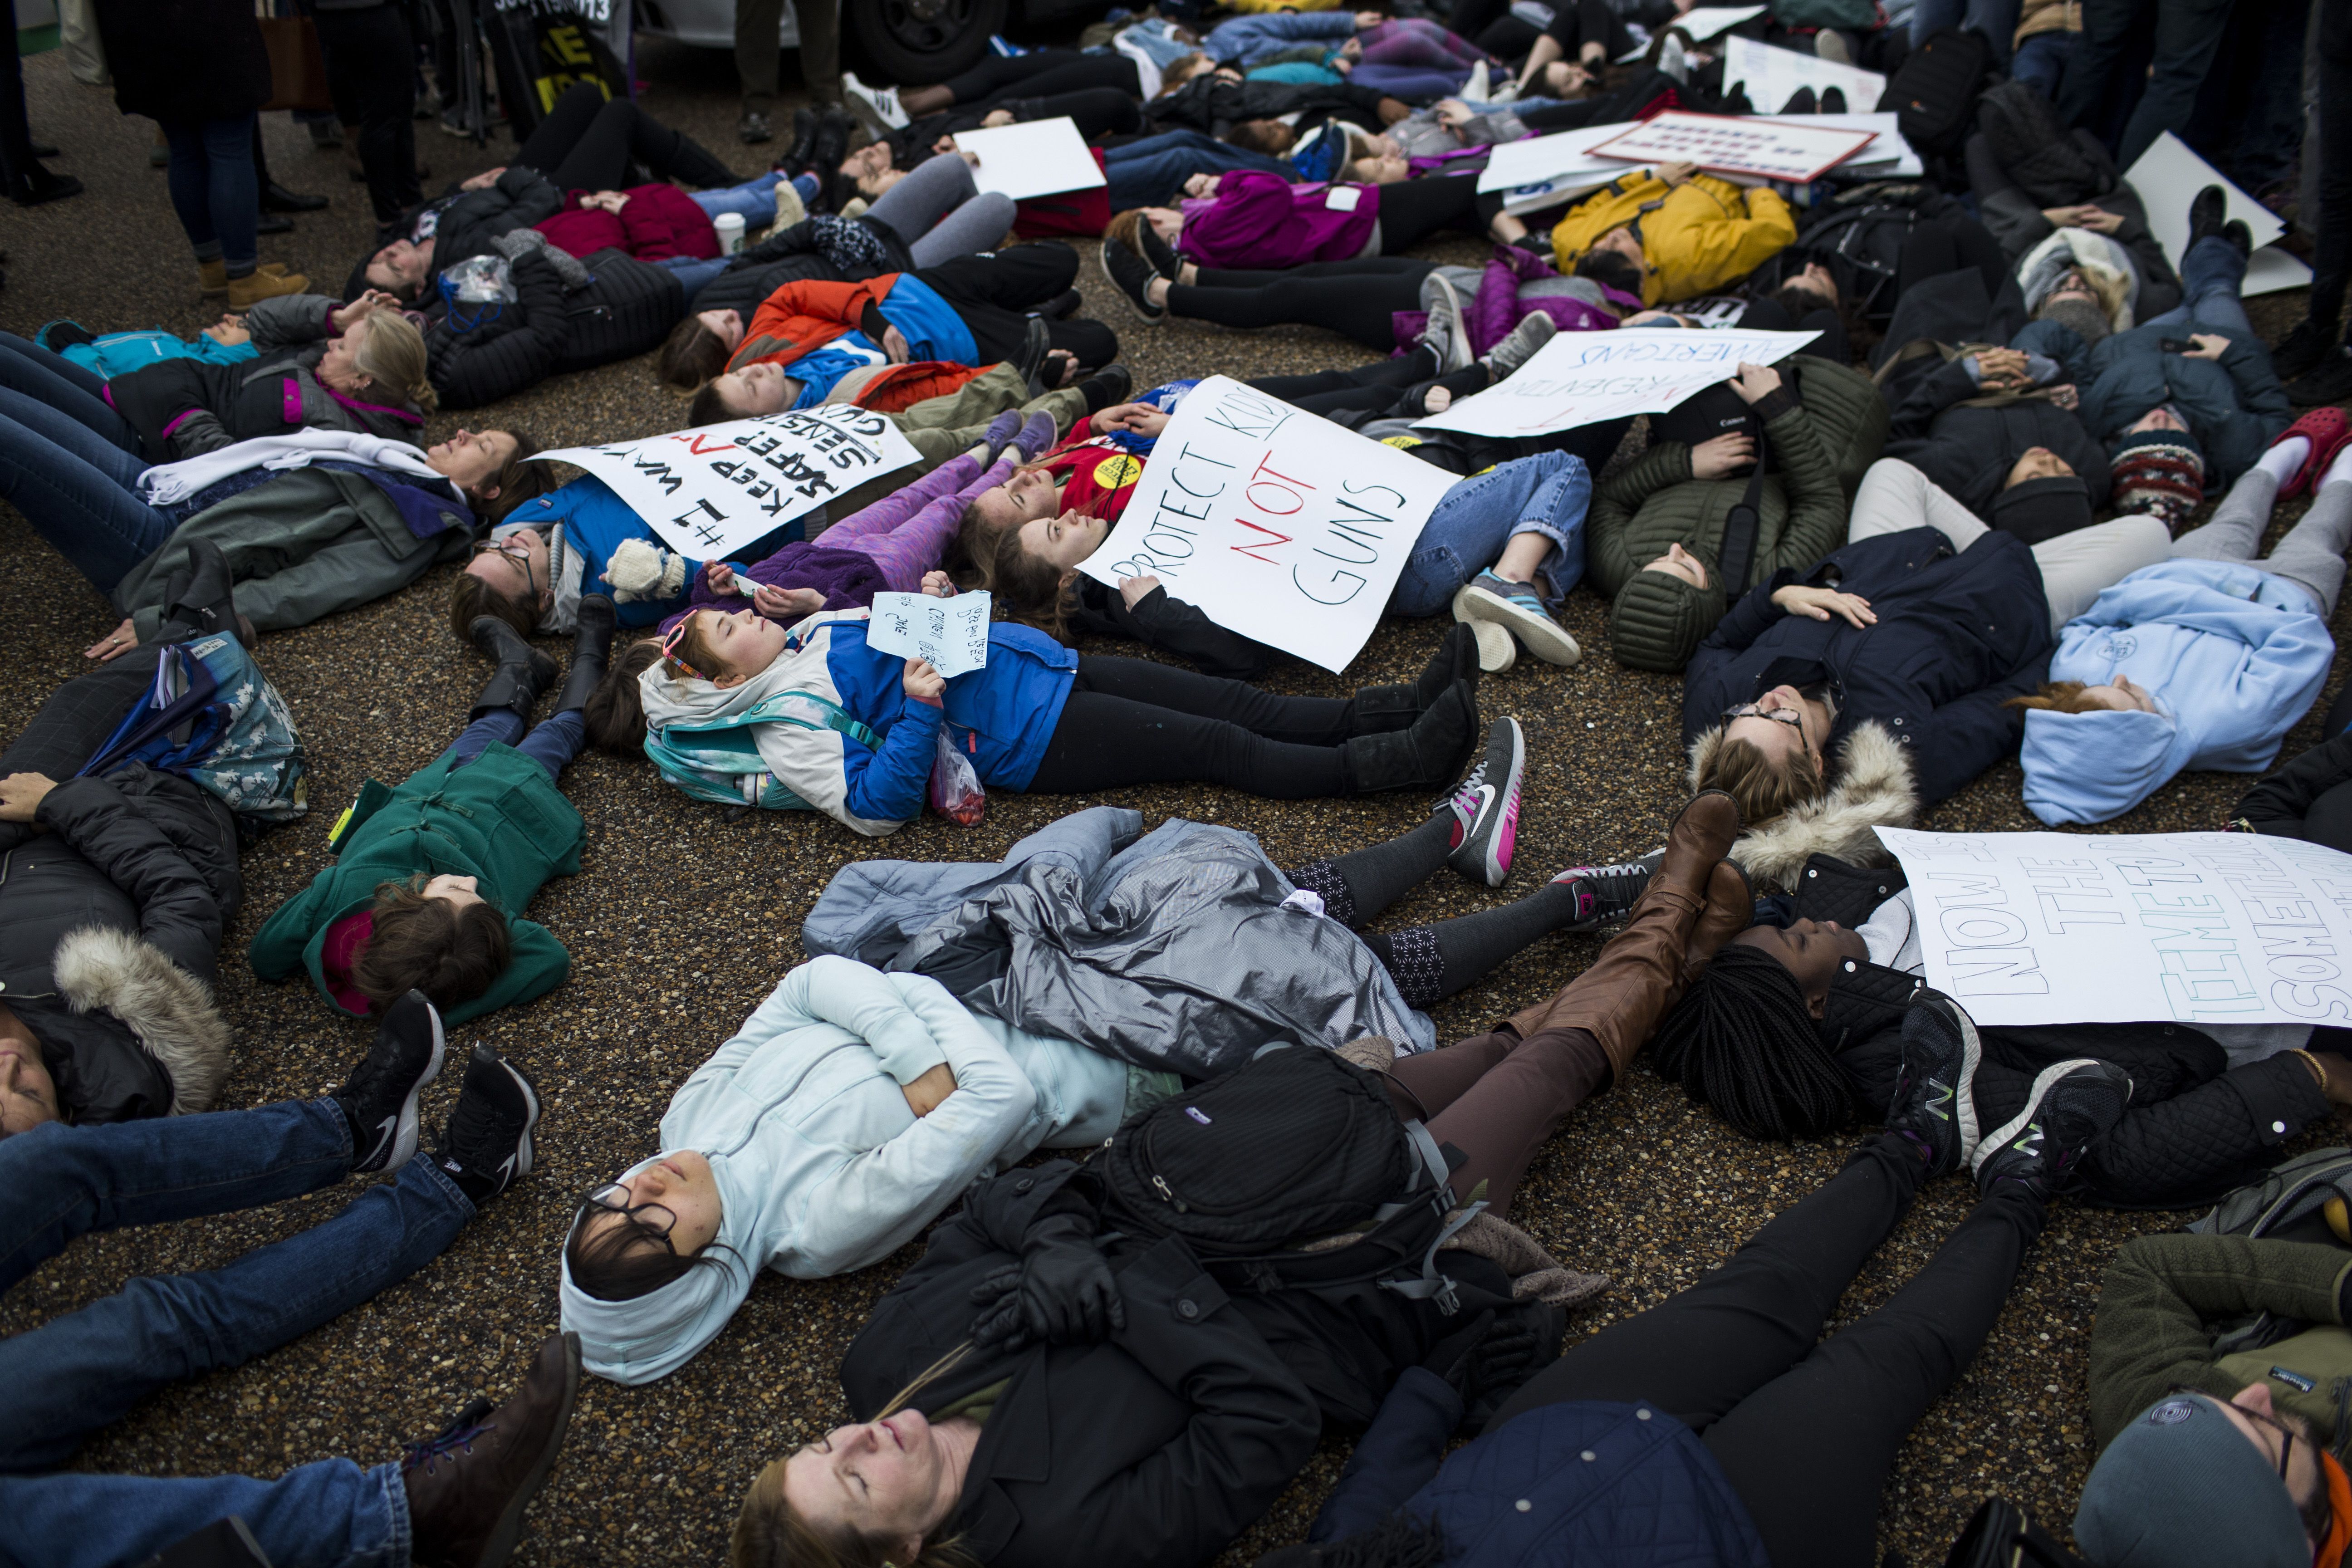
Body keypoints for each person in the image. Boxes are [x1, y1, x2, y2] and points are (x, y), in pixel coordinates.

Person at [729, 794, 1763, 1568]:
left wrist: (1050, 1244)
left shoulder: (888, 1360)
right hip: (1342, 1277)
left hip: (1243, 1158)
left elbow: (987, 1212)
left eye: (829, 1439)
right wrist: (1124, 1294)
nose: (867, 1428)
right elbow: (1265, 1423)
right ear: (904, 1551)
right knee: (1553, 1070)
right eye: (859, 1472)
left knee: (1490, 1052)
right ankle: (1672, 901)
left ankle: (1681, 950)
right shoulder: (1069, 1539)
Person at [1254, 996, 2131, 1568]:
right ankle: (2023, 1181)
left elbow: (1353, 1524)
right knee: (1885, 1363)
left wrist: (1430, 1385)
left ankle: (1918, 1139)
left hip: (1543, 1445)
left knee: (1766, 1286)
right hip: (1735, 1536)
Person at [561, 955, 1194, 1383]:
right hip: (1097, 1041)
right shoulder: (817, 1226)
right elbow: (1006, 1096)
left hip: (991, 973)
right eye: (648, 1224)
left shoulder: (687, 1122)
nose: (639, 1185)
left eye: (608, 1202)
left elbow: (809, 982)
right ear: (703, 1272)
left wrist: (914, 1056)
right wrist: (900, 992)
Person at [1655, 853, 2351, 1205]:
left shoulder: (1833, 907)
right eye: (1801, 940)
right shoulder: (1905, 1053)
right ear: (1815, 1006)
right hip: (2274, 995)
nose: (1805, 922)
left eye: (1787, 924)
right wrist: (2304, 1079)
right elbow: (2104, 1146)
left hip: (2252, 893)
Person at [625, 594, 1484, 834]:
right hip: (1028, 737)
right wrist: (922, 710)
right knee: (1218, 744)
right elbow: (872, 809)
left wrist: (922, 601)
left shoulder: (808, 629)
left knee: (1236, 701)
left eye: (730, 611)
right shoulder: (784, 724)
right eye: (727, 628)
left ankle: (1399, 710)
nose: (743, 615)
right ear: (714, 682)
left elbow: (892, 638)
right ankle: (1399, 764)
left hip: (1044, 669)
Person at [967, 402, 1595, 667]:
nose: (1072, 516)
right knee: (1560, 469)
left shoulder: (1143, 534)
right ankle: (1516, 580)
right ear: (1068, 575)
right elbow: (1245, 655)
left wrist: (1179, 433)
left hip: (1386, 558)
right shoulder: (1135, 592)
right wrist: (1158, 610)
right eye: (1056, 531)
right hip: (1403, 551)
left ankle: (1494, 606)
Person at [249, 601, 616, 1022]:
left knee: (490, 727)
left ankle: (522, 666)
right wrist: (438, 1004)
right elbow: (551, 959)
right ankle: (591, 657)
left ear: (406, 907)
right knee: (558, 734)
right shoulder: (472, 936)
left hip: (431, 789)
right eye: (476, 895)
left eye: (459, 891)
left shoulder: (338, 894)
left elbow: (266, 958)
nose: (471, 881)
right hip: (510, 808)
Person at [0, 553, 250, 1135]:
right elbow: (183, 897)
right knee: (80, 709)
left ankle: (189, 627)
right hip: (141, 810)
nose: (9, 1067)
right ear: (62, 1117)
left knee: (79, 712)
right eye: (27, 1093)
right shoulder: (134, 1030)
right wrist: (59, 805)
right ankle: (196, 627)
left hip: (35, 831)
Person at [461, 410, 1056, 645]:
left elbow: (588, 481)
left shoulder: (523, 525)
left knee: (929, 441)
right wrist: (677, 574)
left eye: (496, 544)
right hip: (799, 506)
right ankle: (1041, 428)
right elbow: (740, 585)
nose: (512, 541)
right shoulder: (617, 595)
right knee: (929, 482)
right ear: (543, 599)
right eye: (512, 559)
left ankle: (997, 435)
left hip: (769, 454)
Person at [2011, 426, 2351, 826]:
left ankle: (2276, 466)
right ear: (2151, 741)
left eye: (2102, 686)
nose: (2121, 678)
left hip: (2191, 575)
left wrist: (2208, 607)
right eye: (2133, 699)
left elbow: (2099, 613)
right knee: (2319, 536)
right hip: (2284, 594)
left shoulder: (2076, 681)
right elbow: (2302, 642)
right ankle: (2342, 480)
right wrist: (2187, 604)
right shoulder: (2230, 721)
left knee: (2233, 518)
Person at [0, 368, 525, 618]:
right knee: (14, 371)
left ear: (485, 489)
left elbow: (310, 587)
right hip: (170, 484)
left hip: (160, 543)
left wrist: (176, 618)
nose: (461, 434)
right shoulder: (395, 458)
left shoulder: (424, 521)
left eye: (479, 444)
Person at [1587, 357, 1886, 674]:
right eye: (1686, 566)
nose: (1674, 549)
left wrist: (1685, 463)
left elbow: (1607, 499)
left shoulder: (1618, 564)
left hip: (1702, 441)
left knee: (1761, 323)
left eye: (1657, 563)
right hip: (1798, 443)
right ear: (1708, 598)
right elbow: (1821, 501)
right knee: (1824, 333)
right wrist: (1777, 408)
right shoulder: (1767, 576)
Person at [2075, 1230, 2352, 1568]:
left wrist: (2342, 1285)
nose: (2255, 1395)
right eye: (2263, 1434)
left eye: (2205, 1404)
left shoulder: (2152, 1428)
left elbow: (2146, 1269)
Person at [354, 82, 741, 301]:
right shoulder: (463, 260)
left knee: (585, 96)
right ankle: (725, 184)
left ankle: (650, 191)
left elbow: (444, 204)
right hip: (552, 195)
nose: (391, 252)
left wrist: (462, 187)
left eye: (380, 256)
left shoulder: (408, 233)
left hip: (514, 182)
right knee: (620, 115)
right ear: (419, 286)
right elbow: (538, 209)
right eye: (393, 267)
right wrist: (509, 179)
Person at [673, 246, 1117, 416]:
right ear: (766, 422)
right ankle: (1036, 316)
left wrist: (871, 319)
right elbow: (940, 391)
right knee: (1100, 342)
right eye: (748, 388)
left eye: (736, 374)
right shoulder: (842, 412)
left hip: (912, 290)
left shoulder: (756, 352)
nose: (752, 372)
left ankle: (1039, 310)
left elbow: (788, 295)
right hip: (968, 339)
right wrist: (1024, 379)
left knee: (1063, 261)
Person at [89, 0, 307, 308]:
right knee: (229, 148)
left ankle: (214, 267)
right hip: (207, 21)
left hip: (139, 24)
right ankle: (243, 276)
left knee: (184, 148)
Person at [100, 291, 438, 464]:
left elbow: (248, 475)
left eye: (341, 345)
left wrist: (183, 415)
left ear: (362, 378)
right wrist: (336, 318)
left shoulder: (336, 436)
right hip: (150, 396)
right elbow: (260, 323)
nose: (331, 343)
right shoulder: (324, 363)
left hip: (153, 440)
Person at [1549, 160, 1796, 308]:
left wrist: (1649, 179)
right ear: (1642, 277)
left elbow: (1603, 200)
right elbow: (1776, 230)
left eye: (1599, 246)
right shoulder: (1690, 258)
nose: (1612, 237)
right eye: (1617, 252)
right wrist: (1757, 192)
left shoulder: (1569, 243)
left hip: (1683, 154)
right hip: (1739, 170)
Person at [312, 0, 424, 245]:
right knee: (388, 116)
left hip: (336, 15)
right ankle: (394, 220)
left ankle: (406, 211)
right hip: (370, 11)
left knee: (389, 114)